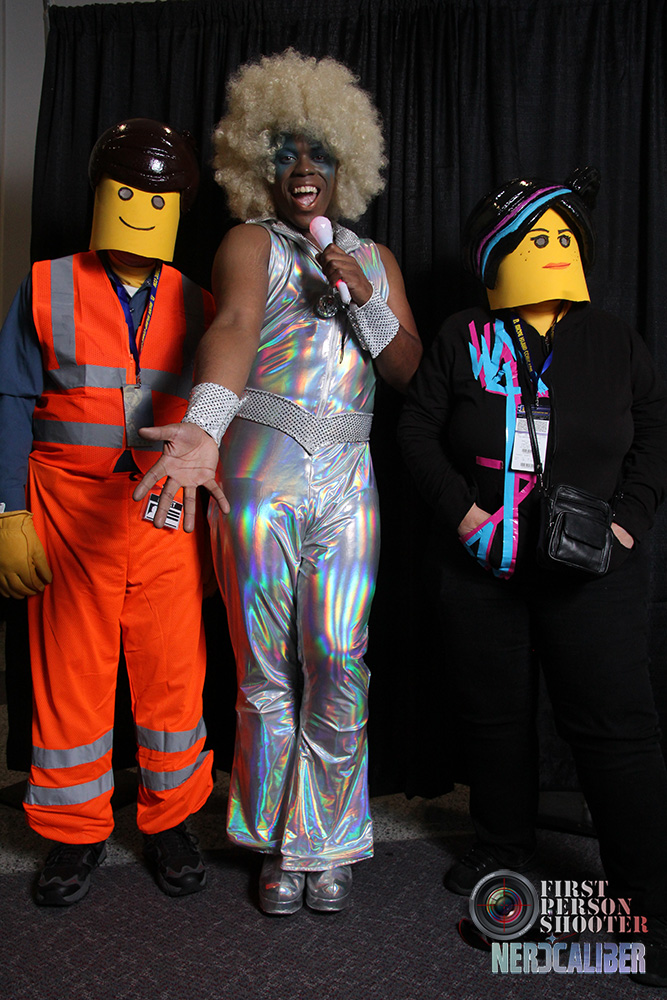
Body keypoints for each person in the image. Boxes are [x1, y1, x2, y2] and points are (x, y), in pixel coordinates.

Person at [133, 49, 421, 915]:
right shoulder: (249, 242)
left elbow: (409, 370)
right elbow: (230, 323)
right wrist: (203, 426)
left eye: (317, 152)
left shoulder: (376, 257)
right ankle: (270, 841)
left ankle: (324, 839)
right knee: (262, 668)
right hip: (261, 472)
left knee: (337, 656)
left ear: (344, 163)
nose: (302, 167)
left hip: (350, 477)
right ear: (259, 165)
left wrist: (367, 298)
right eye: (284, 152)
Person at [398, 168, 667, 986]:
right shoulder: (461, 336)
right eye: (531, 238)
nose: (549, 249)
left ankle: (647, 902)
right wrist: (462, 515)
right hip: (482, 566)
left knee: (614, 731)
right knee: (492, 717)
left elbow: (655, 433)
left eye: (559, 237)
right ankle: (501, 848)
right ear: (495, 254)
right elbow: (415, 430)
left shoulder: (613, 340)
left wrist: (625, 523)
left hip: (592, 573)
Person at [0, 119, 215, 905]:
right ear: (100, 195)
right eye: (129, 192)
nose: (142, 209)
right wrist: (5, 510)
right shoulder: (47, 285)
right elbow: (10, 397)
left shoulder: (201, 302)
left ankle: (171, 820)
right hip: (66, 510)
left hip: (165, 511)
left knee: (173, 672)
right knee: (70, 674)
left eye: (158, 197)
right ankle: (72, 833)